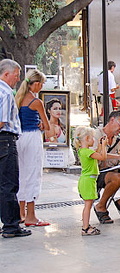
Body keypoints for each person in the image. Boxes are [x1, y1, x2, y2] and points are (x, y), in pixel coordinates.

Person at [0, 59, 32, 238]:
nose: (18, 79)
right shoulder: (5, 93)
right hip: (5, 139)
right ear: (6, 74)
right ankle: (11, 225)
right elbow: (2, 120)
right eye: (16, 75)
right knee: (9, 184)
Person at [15, 69, 51, 227]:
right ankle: (31, 215)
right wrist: (42, 125)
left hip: (18, 137)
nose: (41, 87)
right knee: (33, 175)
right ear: (36, 84)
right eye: (41, 84)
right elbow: (47, 125)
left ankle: (20, 212)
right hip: (32, 138)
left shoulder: (18, 98)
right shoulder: (36, 102)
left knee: (21, 175)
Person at [74, 126, 107, 236]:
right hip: (88, 181)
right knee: (88, 205)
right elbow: (102, 157)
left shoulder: (83, 151)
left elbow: (97, 154)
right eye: (93, 138)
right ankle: (85, 228)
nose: (94, 140)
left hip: (88, 180)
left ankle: (86, 225)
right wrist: (104, 146)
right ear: (87, 138)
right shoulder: (87, 152)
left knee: (88, 204)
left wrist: (100, 146)